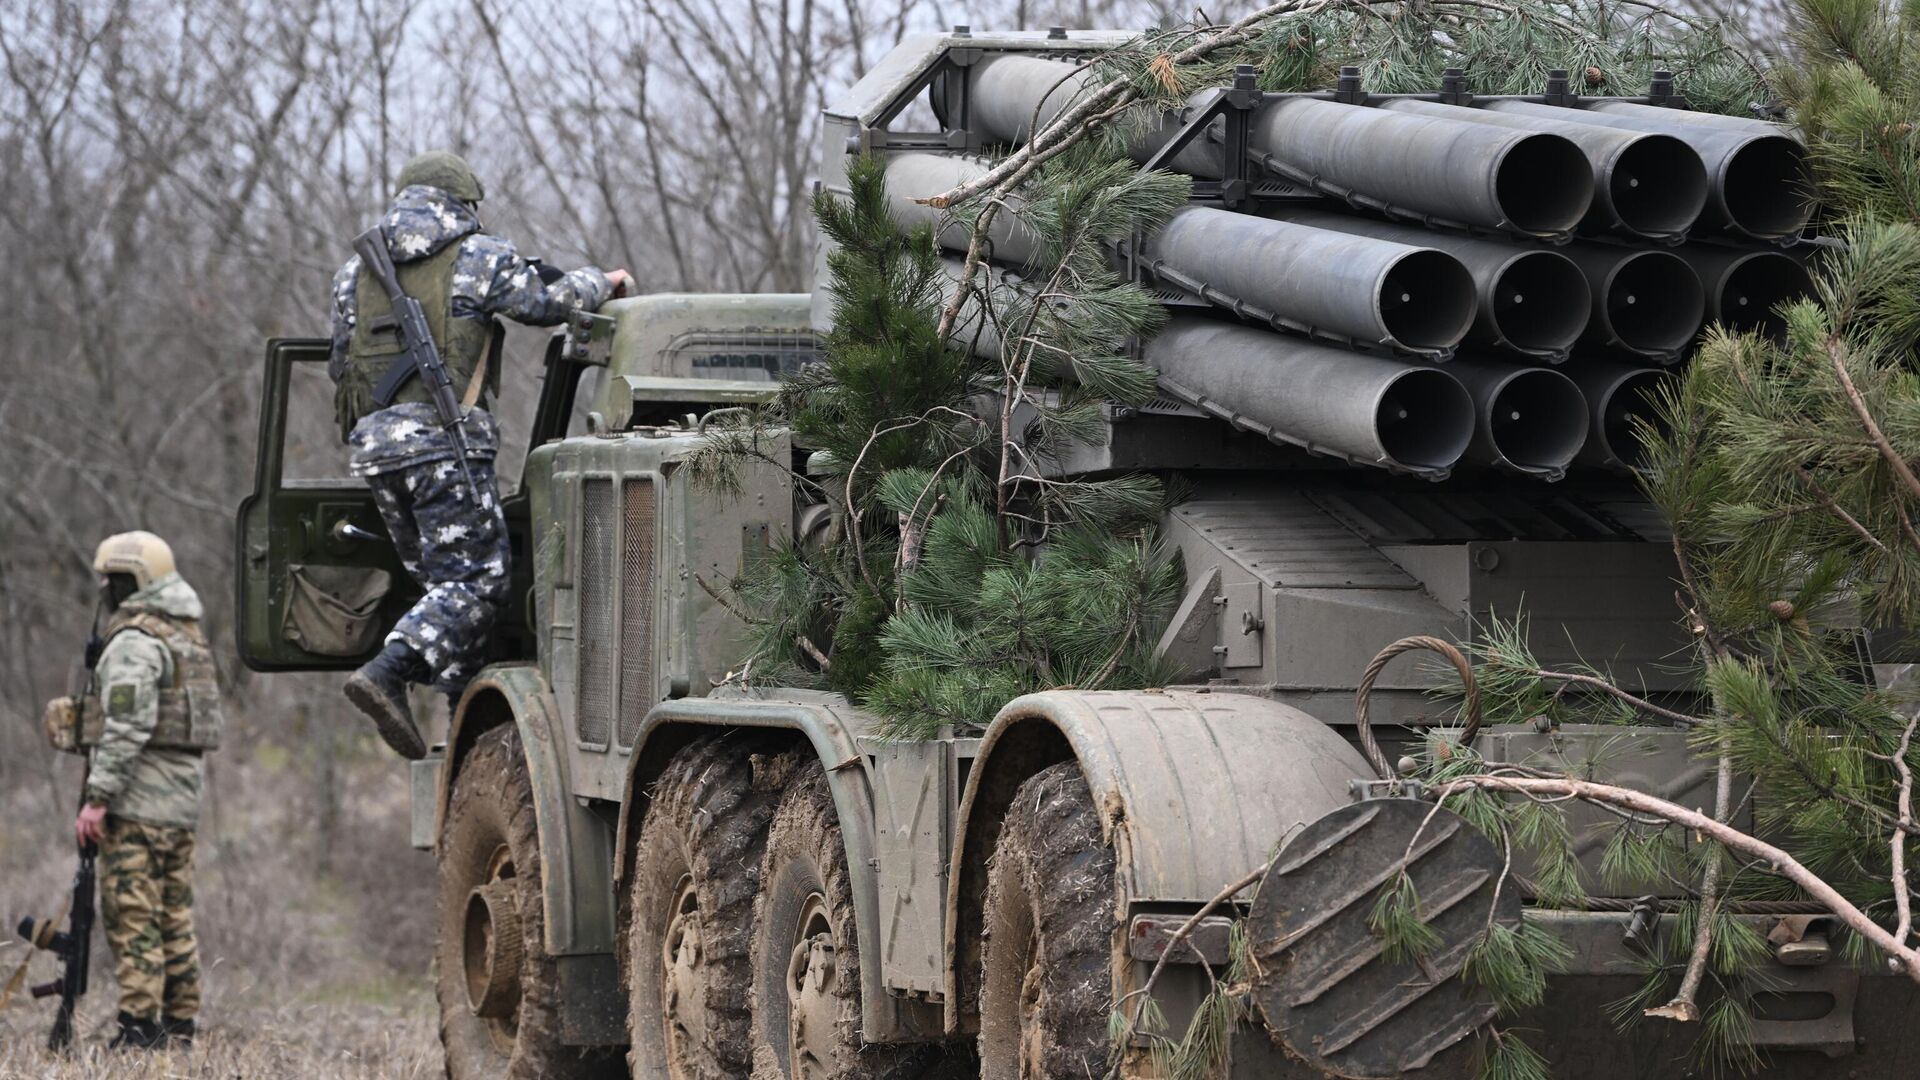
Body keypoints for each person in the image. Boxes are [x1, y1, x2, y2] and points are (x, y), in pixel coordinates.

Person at [328, 150, 631, 758]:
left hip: (377, 452)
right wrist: (604, 281)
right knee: (479, 580)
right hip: (442, 442)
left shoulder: (351, 274)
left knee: (442, 584)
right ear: (462, 204)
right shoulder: (475, 256)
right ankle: (389, 672)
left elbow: (342, 365)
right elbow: (549, 305)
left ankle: (462, 717)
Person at [72, 531, 219, 1050]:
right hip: (180, 804)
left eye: (112, 579)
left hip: (139, 802)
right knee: (173, 913)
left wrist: (97, 797)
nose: (106, 590)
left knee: (132, 915)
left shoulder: (137, 640)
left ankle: (138, 1029)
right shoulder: (186, 635)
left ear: (132, 581)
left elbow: (128, 724)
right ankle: (179, 1026)